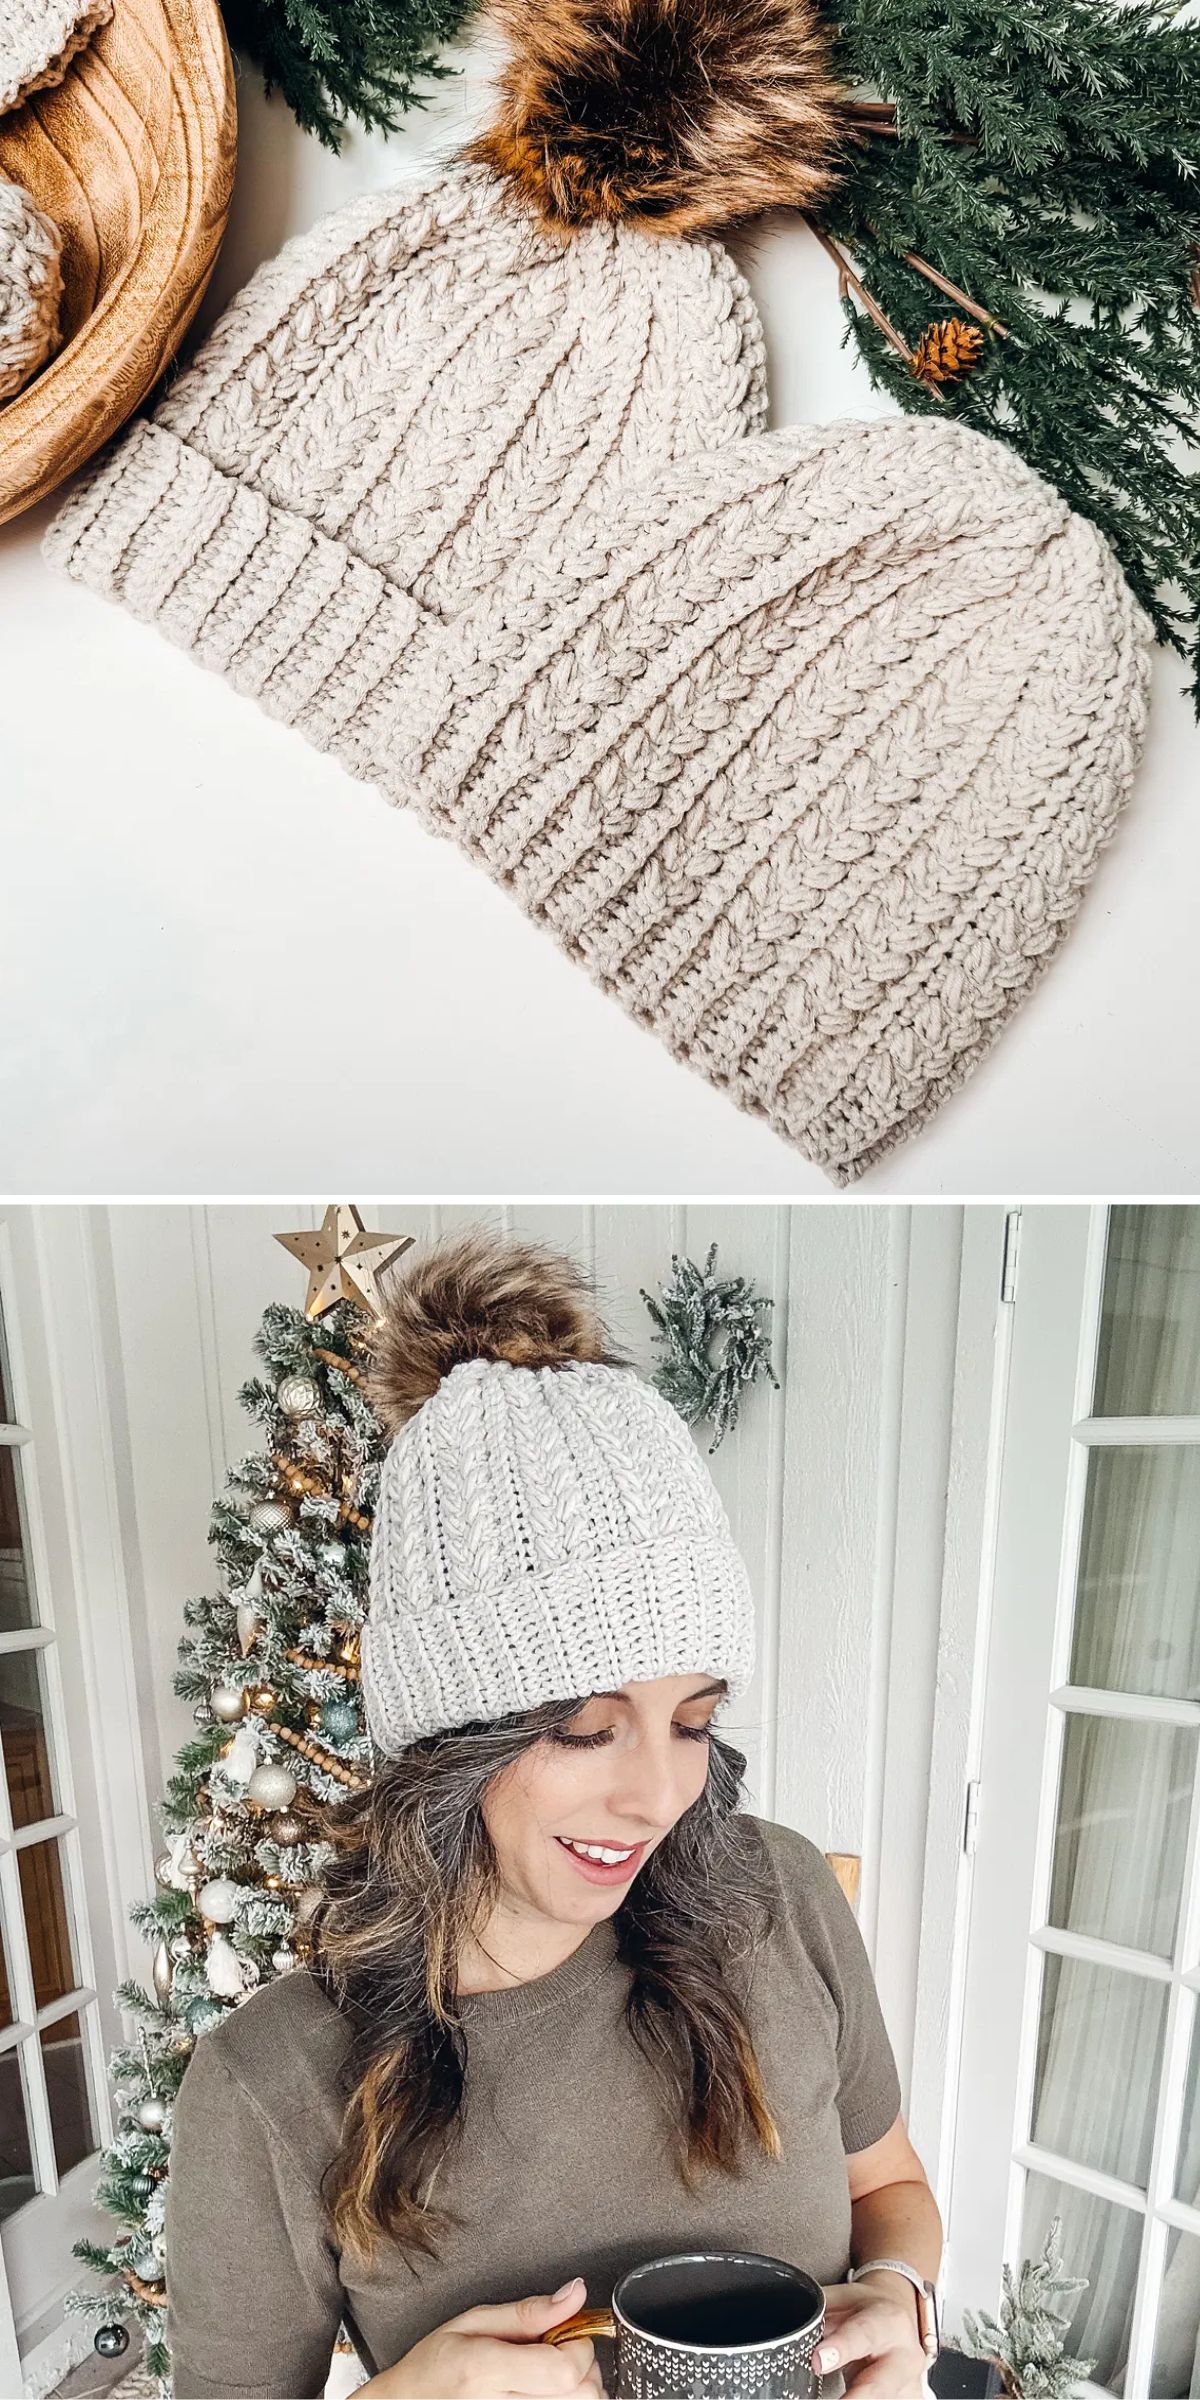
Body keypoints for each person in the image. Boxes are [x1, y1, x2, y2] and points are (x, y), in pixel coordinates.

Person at [165, 1229, 943, 2399]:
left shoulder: (775, 1893)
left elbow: (891, 2192)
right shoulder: (272, 2083)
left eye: (692, 1721)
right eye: (584, 1726)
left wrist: (901, 2304)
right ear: (445, 1742)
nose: (660, 1796)